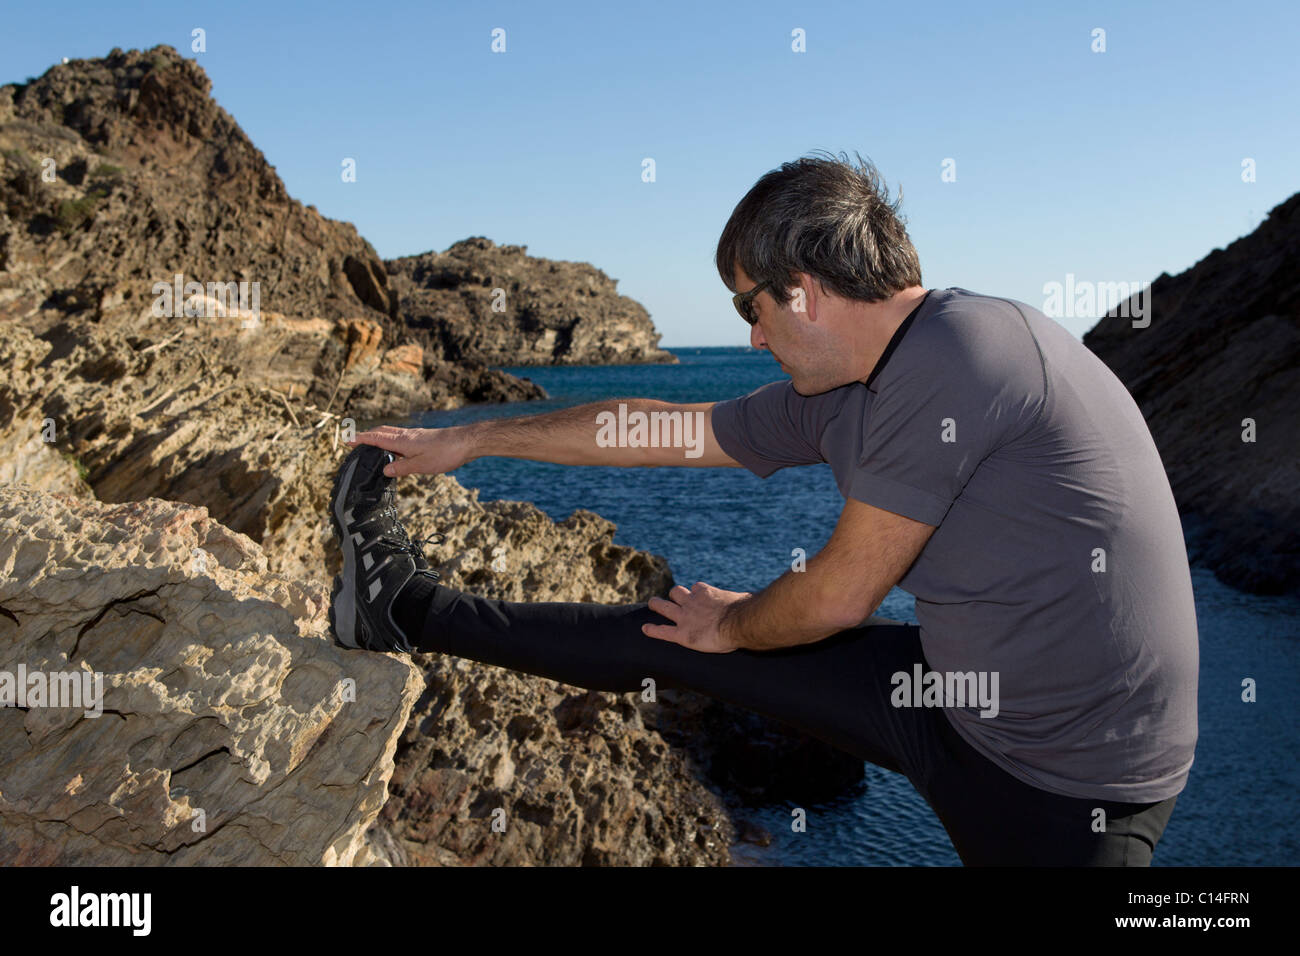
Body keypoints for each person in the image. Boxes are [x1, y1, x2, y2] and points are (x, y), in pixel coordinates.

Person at [329, 150, 1198, 866]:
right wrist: (473, 439)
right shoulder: (846, 386)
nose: (750, 335)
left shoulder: (961, 356)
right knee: (663, 631)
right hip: (955, 692)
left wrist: (737, 626)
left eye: (750, 306)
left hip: (1073, 785)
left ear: (803, 292)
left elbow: (836, 598)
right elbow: (654, 430)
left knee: (708, 632)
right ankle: (394, 607)